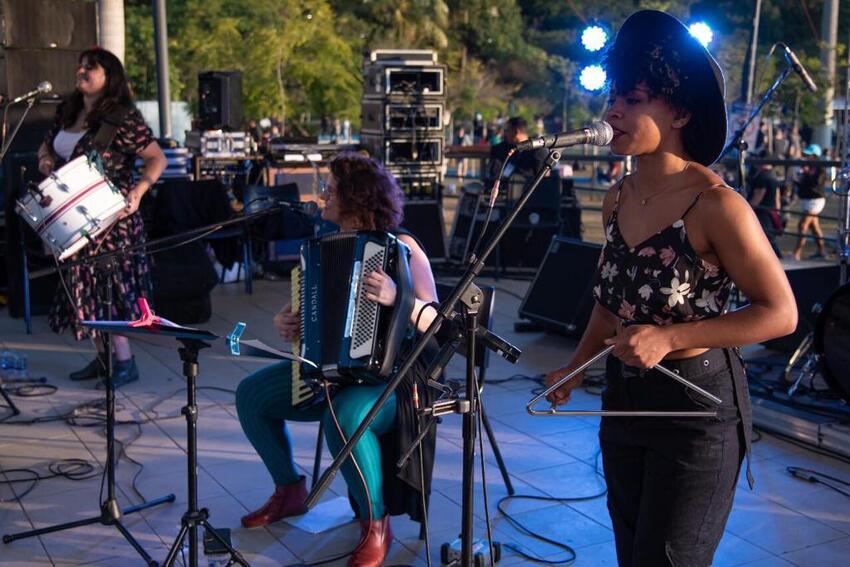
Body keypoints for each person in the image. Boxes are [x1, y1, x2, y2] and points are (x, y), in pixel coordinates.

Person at [543, 11, 797, 567]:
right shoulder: (617, 196)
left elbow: (780, 313)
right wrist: (577, 364)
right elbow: (611, 304)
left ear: (679, 111)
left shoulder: (716, 205)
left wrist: (669, 336)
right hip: (624, 402)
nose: (613, 111)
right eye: (614, 96)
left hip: (697, 411)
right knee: (631, 552)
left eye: (633, 100)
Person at [235, 153, 440, 567]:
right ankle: (289, 489)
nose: (321, 196)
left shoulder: (404, 246)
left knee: (344, 418)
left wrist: (399, 299)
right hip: (329, 372)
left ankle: (374, 522)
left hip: (391, 377)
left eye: (329, 189)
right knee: (251, 395)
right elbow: (310, 313)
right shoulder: (320, 249)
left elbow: (437, 322)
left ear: (355, 196)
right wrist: (287, 322)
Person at [37, 47, 167, 387]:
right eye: (80, 67)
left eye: (89, 69)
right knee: (82, 288)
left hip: (113, 218)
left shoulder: (122, 117)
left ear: (109, 77)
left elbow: (157, 159)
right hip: (74, 216)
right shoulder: (69, 110)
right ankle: (103, 357)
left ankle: (125, 363)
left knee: (108, 288)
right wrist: (45, 161)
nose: (81, 73)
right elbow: (47, 147)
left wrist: (138, 192)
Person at [792, 143, 828, 260]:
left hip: (815, 201)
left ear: (815, 156)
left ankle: (796, 253)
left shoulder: (820, 168)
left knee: (803, 225)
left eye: (809, 155)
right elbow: (804, 184)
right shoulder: (806, 167)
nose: (806, 156)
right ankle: (822, 252)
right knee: (815, 228)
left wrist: (806, 173)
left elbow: (816, 184)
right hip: (806, 199)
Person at [748, 151, 784, 258]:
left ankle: (778, 257)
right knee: (768, 237)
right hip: (770, 211)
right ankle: (777, 257)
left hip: (762, 212)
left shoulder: (761, 177)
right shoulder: (773, 176)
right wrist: (777, 212)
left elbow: (758, 196)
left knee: (766, 238)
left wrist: (747, 210)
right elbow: (777, 196)